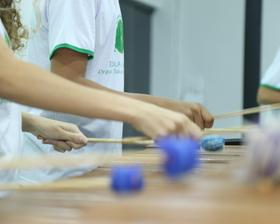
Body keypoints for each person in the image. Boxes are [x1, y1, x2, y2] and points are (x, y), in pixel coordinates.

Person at [0, 0, 204, 186]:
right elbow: (10, 75)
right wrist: (141, 110)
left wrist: (30, 122)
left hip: (17, 179)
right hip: (55, 172)